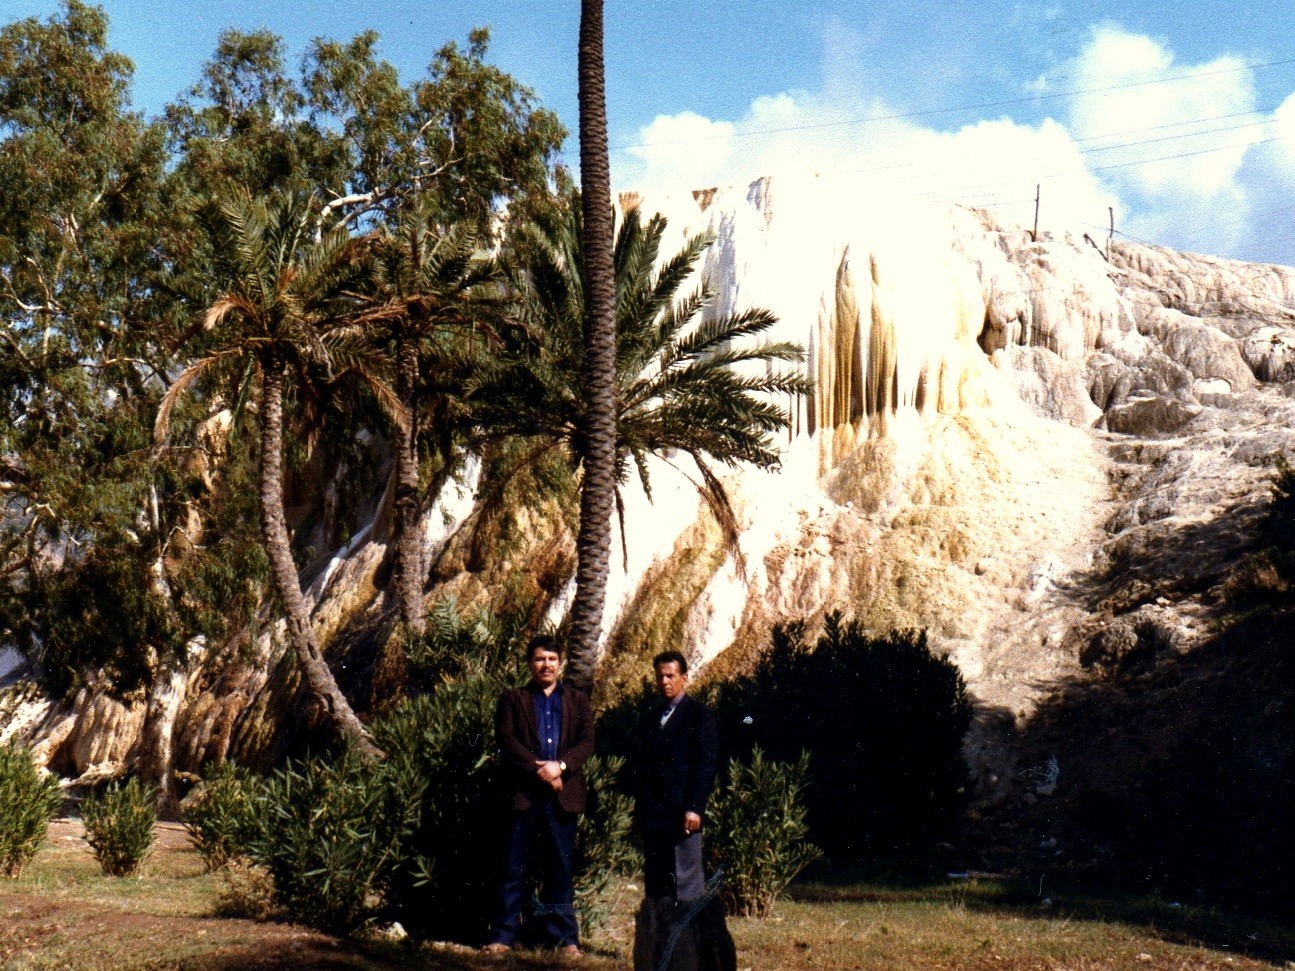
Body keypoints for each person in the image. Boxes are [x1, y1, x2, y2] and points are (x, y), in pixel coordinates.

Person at [483, 635, 594, 959]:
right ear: (530, 664)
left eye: (552, 659)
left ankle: (564, 939)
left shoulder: (577, 700)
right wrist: (538, 770)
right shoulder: (513, 699)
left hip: (563, 796)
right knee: (513, 867)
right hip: (524, 796)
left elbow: (587, 741)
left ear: (560, 664)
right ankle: (504, 935)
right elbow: (506, 738)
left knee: (559, 868)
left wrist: (560, 767)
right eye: (539, 659)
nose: (546, 665)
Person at [637, 650, 719, 904]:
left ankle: (688, 942)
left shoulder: (699, 715)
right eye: (660, 676)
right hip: (655, 816)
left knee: (685, 885)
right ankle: (660, 943)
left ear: (684, 677)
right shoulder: (651, 717)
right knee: (658, 885)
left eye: (670, 676)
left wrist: (695, 807)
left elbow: (705, 765)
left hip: (684, 815)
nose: (665, 682)